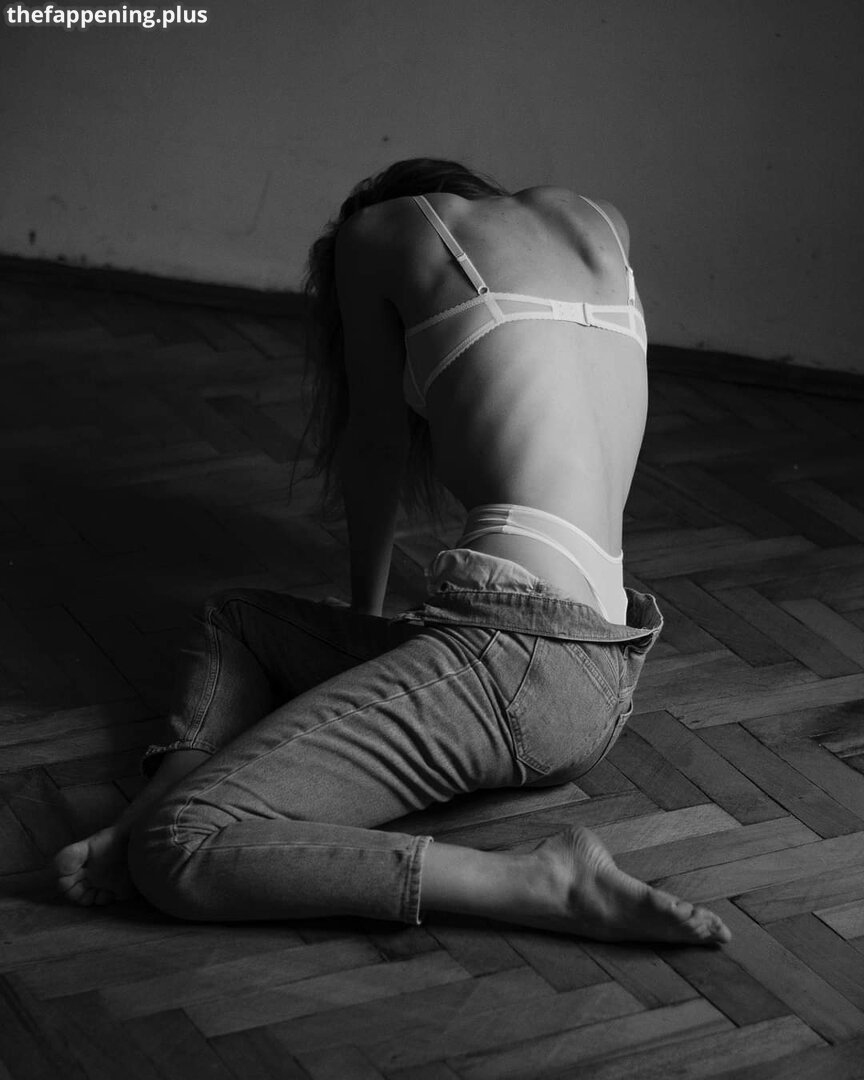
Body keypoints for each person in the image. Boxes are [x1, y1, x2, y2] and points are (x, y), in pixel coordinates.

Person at [53, 158, 731, 945]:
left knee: (179, 850)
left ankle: (537, 880)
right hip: (604, 673)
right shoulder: (600, 220)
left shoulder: (375, 235)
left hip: (511, 661)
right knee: (237, 619)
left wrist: (367, 611)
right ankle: (157, 798)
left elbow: (375, 451)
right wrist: (377, 643)